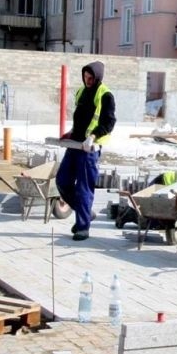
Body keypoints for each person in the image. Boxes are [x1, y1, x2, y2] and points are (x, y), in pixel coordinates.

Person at [56, 61, 116, 241]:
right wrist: (72, 133)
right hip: (75, 146)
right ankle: (86, 213)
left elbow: (108, 122)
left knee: (83, 188)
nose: (87, 80)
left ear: (97, 77)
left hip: (89, 149)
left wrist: (93, 137)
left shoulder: (105, 95)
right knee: (62, 181)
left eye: (91, 77)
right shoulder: (81, 92)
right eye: (85, 77)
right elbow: (81, 119)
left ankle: (83, 227)